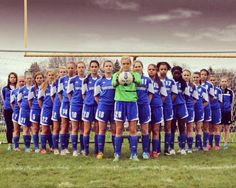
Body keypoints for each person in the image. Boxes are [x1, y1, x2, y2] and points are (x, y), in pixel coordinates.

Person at [112, 56, 141, 161]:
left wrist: (131, 78)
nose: (125, 65)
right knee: (118, 129)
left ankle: (133, 154)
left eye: (127, 63)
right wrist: (119, 78)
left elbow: (139, 82)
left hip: (132, 102)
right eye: (123, 64)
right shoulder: (116, 74)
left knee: (132, 129)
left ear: (130, 64)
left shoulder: (135, 74)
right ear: (121, 64)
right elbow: (113, 84)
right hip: (119, 102)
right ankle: (117, 154)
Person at [94, 60, 116, 159]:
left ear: (112, 68)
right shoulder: (99, 81)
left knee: (114, 130)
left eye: (110, 66)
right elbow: (96, 96)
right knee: (101, 129)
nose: (108, 67)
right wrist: (103, 104)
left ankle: (117, 151)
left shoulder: (116, 80)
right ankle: (100, 152)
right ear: (103, 68)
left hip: (114, 107)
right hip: (103, 107)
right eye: (106, 66)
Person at [133, 61, 154, 159]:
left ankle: (145, 152)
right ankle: (133, 152)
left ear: (142, 67)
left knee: (145, 129)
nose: (137, 68)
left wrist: (147, 103)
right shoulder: (129, 79)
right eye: (135, 67)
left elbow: (150, 93)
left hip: (144, 106)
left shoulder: (147, 80)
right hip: (133, 106)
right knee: (133, 129)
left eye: (139, 66)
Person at [157, 62, 178, 155]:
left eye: (165, 69)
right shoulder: (154, 81)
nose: (163, 71)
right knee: (156, 127)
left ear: (167, 70)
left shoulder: (171, 81)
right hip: (157, 106)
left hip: (168, 106)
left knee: (168, 127)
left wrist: (169, 102)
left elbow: (174, 93)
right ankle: (156, 149)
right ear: (158, 70)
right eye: (161, 69)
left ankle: (166, 149)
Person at [147, 64, 167, 158]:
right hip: (146, 108)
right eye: (149, 69)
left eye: (153, 69)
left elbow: (163, 96)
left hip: (157, 108)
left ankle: (155, 150)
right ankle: (146, 151)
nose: (151, 71)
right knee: (147, 130)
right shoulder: (145, 81)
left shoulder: (160, 83)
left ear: (156, 71)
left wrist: (158, 103)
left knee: (155, 130)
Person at [67, 61, 86, 156]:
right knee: (74, 127)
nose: (81, 69)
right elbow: (69, 93)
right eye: (79, 67)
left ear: (85, 68)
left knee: (83, 128)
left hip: (85, 106)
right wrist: (73, 102)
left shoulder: (87, 79)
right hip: (75, 106)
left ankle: (83, 149)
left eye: (83, 67)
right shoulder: (72, 80)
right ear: (76, 69)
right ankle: (74, 149)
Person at [82, 60, 100, 156]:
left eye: (95, 66)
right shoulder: (86, 80)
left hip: (98, 106)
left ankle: (97, 150)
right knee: (87, 129)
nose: (94, 68)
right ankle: (86, 150)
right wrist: (88, 101)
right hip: (88, 106)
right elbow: (83, 94)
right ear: (89, 68)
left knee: (98, 128)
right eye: (92, 66)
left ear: (98, 68)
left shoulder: (101, 79)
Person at [58, 62, 76, 155]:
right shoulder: (62, 79)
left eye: (72, 68)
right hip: (65, 104)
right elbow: (59, 93)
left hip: (75, 105)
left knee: (73, 126)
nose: (70, 70)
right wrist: (63, 102)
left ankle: (70, 147)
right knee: (64, 125)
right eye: (68, 68)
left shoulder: (77, 79)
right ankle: (63, 148)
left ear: (75, 69)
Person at [171, 66, 188, 155]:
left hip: (181, 106)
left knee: (182, 127)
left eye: (178, 73)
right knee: (172, 128)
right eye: (175, 73)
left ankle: (182, 148)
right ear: (172, 73)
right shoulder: (170, 82)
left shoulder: (184, 84)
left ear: (181, 74)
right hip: (172, 107)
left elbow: (187, 96)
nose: (177, 75)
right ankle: (171, 148)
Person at [51, 66, 67, 155]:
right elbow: (52, 96)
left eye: (64, 72)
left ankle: (64, 147)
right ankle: (55, 147)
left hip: (66, 106)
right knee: (56, 127)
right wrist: (58, 104)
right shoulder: (55, 83)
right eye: (61, 72)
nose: (63, 73)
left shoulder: (67, 81)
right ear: (58, 73)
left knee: (65, 126)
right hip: (57, 106)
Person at [38, 70, 55, 154]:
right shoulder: (43, 86)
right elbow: (39, 100)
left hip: (55, 109)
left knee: (53, 129)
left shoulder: (57, 85)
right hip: (46, 110)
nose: (51, 76)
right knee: (44, 129)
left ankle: (53, 146)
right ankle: (43, 148)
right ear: (47, 76)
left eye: (52, 75)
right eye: (49, 75)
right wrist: (43, 108)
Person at [182, 69, 199, 153]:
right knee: (182, 128)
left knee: (189, 127)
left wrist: (191, 104)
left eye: (187, 75)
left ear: (190, 76)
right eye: (184, 75)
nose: (186, 77)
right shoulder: (178, 85)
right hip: (181, 108)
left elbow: (195, 98)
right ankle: (182, 147)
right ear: (182, 76)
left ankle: (189, 147)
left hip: (189, 109)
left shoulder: (193, 86)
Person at [28, 72, 44, 153]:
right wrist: (34, 108)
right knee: (35, 128)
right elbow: (29, 101)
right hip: (35, 110)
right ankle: (37, 147)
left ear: (43, 78)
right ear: (35, 79)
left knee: (46, 128)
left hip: (45, 110)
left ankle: (46, 146)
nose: (39, 79)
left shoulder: (47, 87)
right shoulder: (32, 89)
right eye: (37, 78)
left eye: (41, 77)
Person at [192, 72, 209, 151]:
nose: (195, 79)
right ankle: (191, 145)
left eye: (197, 77)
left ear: (199, 78)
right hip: (191, 110)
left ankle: (200, 145)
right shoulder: (189, 87)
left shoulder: (203, 89)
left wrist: (201, 107)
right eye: (194, 77)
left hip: (199, 110)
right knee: (190, 128)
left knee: (198, 128)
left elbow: (206, 101)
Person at [1, 72, 17, 150]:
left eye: (14, 77)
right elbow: (4, 99)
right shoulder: (5, 89)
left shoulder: (18, 88)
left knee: (16, 127)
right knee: (9, 127)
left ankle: (15, 143)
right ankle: (9, 144)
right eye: (11, 77)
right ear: (9, 78)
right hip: (8, 110)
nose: (13, 78)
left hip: (16, 110)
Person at [17, 72, 33, 152]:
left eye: (30, 78)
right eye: (27, 78)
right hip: (24, 111)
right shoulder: (22, 89)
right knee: (26, 129)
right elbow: (19, 101)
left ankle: (31, 145)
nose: (29, 80)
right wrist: (23, 108)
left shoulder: (35, 88)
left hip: (33, 111)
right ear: (25, 79)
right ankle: (27, 147)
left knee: (32, 128)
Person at [200, 69, 214, 151]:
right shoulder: (195, 84)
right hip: (197, 108)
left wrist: (205, 104)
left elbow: (211, 98)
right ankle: (197, 144)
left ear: (207, 76)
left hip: (206, 108)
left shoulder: (210, 85)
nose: (203, 76)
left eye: (205, 74)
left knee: (206, 126)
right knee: (197, 126)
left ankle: (205, 144)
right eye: (202, 74)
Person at [11, 76, 25, 151]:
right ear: (17, 82)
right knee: (16, 129)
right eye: (20, 81)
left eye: (23, 81)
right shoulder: (13, 91)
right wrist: (16, 110)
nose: (22, 83)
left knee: (27, 129)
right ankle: (16, 146)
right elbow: (12, 103)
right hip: (16, 112)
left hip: (25, 112)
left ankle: (28, 145)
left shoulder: (27, 90)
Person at [220, 77, 234, 149]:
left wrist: (230, 110)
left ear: (227, 82)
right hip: (219, 112)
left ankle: (225, 143)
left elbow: (232, 102)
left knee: (226, 128)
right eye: (222, 81)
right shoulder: (218, 90)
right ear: (220, 82)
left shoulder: (230, 92)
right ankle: (217, 143)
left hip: (227, 112)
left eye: (225, 81)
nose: (224, 83)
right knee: (218, 128)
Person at [208, 75, 222, 150]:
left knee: (216, 127)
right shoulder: (206, 89)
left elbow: (220, 101)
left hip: (216, 110)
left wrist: (216, 107)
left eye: (213, 80)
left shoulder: (218, 90)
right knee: (210, 127)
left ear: (215, 81)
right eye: (211, 80)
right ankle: (209, 144)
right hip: (208, 109)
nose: (212, 81)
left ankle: (217, 145)